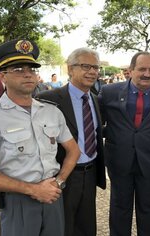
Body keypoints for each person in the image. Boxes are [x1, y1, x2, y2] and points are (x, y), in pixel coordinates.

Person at [0, 39, 80, 235]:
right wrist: (33, 190)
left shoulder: (51, 111)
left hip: (53, 196)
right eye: (18, 69)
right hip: (17, 202)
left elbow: (73, 150)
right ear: (2, 76)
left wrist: (59, 181)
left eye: (32, 69)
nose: (28, 73)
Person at [99, 51, 150, 236]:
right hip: (119, 162)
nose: (147, 74)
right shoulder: (109, 92)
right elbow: (96, 125)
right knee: (119, 209)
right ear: (130, 71)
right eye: (141, 69)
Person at [36, 47, 106, 236]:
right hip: (62, 175)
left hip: (90, 173)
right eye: (85, 66)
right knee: (62, 226)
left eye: (95, 67)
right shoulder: (48, 99)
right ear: (70, 69)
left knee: (87, 225)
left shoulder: (96, 99)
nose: (92, 72)